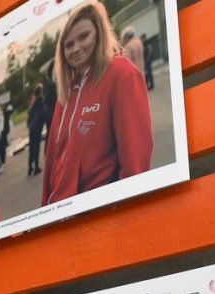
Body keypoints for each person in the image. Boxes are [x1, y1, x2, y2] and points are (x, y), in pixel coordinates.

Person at [41, 1, 153, 207]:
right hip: (60, 210)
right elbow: (51, 161)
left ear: (99, 33)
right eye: (68, 44)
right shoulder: (66, 93)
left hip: (98, 209)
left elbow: (135, 161)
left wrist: (126, 209)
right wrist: (44, 211)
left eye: (83, 36)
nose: (76, 48)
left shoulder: (122, 74)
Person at [27, 84, 46, 176]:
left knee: (32, 148)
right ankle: (36, 167)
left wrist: (29, 125)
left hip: (32, 128)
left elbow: (30, 115)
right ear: (41, 92)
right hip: (37, 128)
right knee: (36, 147)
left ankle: (30, 167)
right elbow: (43, 114)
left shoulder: (33, 104)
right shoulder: (41, 102)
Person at [0, 103, 12, 167]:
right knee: (2, 145)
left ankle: (3, 160)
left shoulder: (4, 113)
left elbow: (9, 114)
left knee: (2, 145)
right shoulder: (2, 113)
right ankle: (2, 160)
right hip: (3, 131)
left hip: (4, 131)